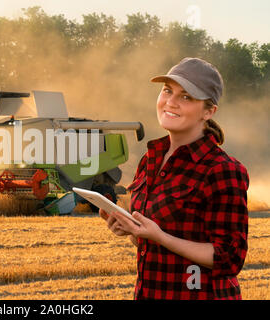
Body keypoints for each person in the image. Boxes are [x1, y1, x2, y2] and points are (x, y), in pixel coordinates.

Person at [100, 57, 249, 300]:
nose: (171, 102)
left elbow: (230, 259)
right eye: (167, 91)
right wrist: (132, 231)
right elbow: (155, 244)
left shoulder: (222, 169)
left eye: (186, 96)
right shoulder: (150, 160)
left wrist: (159, 236)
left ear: (209, 111)